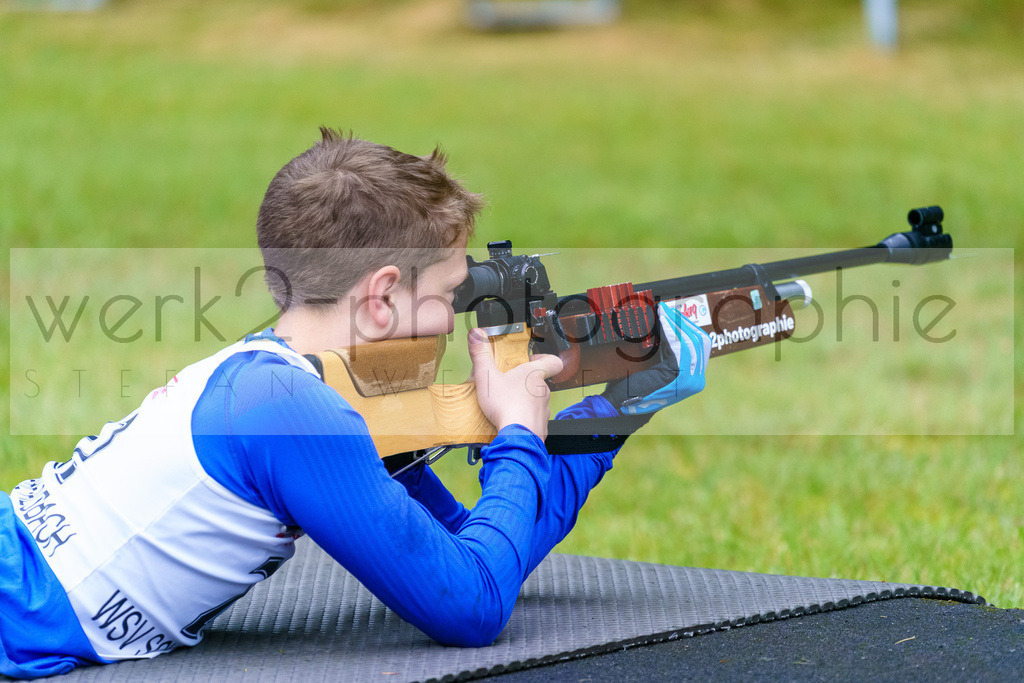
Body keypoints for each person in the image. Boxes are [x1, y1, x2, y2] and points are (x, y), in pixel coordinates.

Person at [0, 128, 711, 679]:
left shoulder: (282, 376)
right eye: (445, 297)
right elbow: (470, 604)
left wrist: (616, 408)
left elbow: (481, 552)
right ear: (380, 296)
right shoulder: (291, 413)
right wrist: (518, 432)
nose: (452, 322)